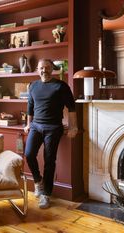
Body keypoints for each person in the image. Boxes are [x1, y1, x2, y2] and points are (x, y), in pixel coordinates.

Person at [24, 58, 78, 209]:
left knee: (49, 160)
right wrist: (28, 124)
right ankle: (37, 182)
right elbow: (30, 107)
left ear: (52, 69)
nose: (44, 70)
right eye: (41, 68)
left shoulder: (61, 86)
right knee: (28, 154)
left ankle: (46, 195)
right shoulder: (33, 86)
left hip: (53, 127)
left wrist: (74, 127)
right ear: (37, 70)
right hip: (36, 126)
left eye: (47, 67)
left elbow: (72, 108)